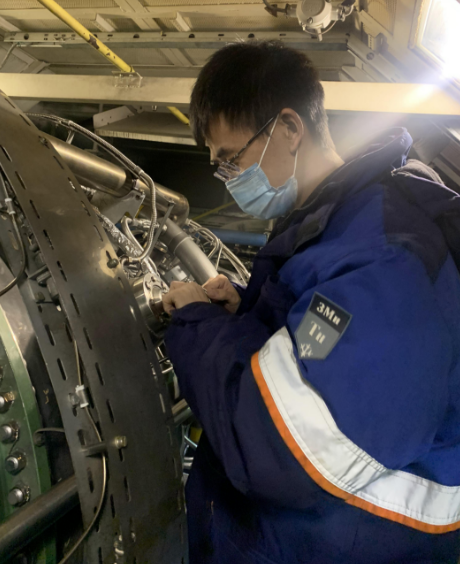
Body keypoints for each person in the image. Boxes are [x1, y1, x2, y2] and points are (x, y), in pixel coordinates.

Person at [162, 41, 460, 564]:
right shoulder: (333, 229)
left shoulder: (382, 255)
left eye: (232, 159)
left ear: (289, 128)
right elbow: (319, 350)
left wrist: (196, 323)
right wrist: (244, 314)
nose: (230, 180)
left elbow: (284, 447)